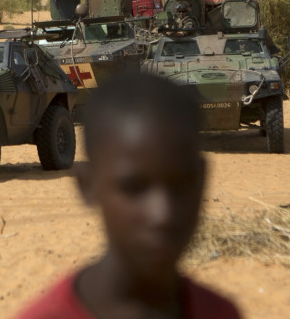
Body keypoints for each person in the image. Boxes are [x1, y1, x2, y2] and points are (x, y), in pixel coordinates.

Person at [16, 74, 241, 319]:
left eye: (181, 184)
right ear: (87, 186)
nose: (162, 213)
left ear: (202, 180)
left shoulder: (221, 312)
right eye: (134, 187)